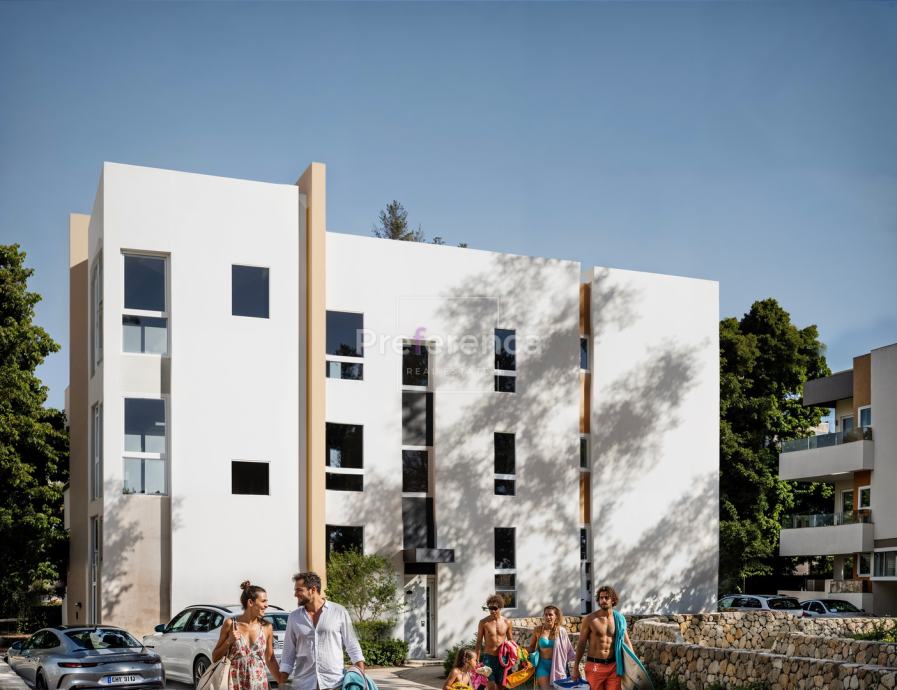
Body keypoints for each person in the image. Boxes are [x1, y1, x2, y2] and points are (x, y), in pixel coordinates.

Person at [279, 571, 364, 690]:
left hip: (334, 683)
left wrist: (362, 678)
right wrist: (282, 683)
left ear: (313, 589)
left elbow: (352, 645)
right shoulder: (294, 617)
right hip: (304, 684)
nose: (295, 594)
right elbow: (288, 654)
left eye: (299, 590)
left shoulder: (339, 611)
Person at [212, 581, 281, 690]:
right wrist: (229, 641)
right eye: (263, 601)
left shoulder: (266, 627)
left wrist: (282, 682)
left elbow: (270, 659)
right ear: (250, 602)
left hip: (259, 684)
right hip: (234, 684)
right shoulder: (230, 624)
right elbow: (215, 657)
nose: (267, 605)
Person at [571, 585, 633, 690]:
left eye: (606, 597)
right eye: (601, 598)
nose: (603, 600)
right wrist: (576, 667)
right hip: (595, 665)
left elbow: (626, 641)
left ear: (613, 600)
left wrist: (634, 664)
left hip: (614, 666)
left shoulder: (619, 619)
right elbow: (581, 643)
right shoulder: (590, 619)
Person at [525, 606, 575, 688]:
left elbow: (568, 649)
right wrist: (520, 651)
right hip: (542, 666)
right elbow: (531, 647)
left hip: (558, 666)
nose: (548, 617)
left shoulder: (561, 631)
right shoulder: (538, 630)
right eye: (546, 614)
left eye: (550, 614)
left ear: (556, 616)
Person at [474, 594, 513, 690]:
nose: (492, 611)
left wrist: (515, 657)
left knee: (501, 686)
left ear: (500, 608)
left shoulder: (507, 622)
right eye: (490, 608)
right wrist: (476, 659)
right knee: (491, 685)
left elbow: (511, 641)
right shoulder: (483, 622)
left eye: (495, 608)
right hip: (488, 658)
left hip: (503, 659)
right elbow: (479, 642)